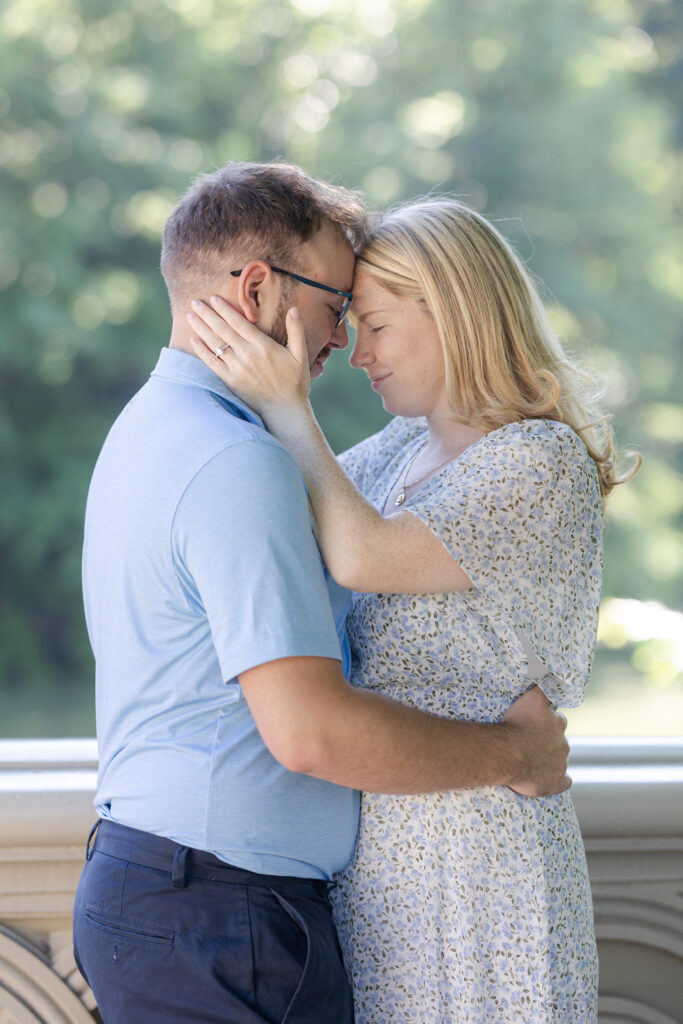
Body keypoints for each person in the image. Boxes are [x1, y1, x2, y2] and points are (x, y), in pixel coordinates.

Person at [74, 163, 571, 1024]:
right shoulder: (236, 461)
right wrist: (516, 754)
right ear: (259, 287)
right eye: (339, 306)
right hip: (221, 917)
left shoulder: (154, 428)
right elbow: (308, 733)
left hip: (196, 900)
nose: (344, 340)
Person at [189, 194, 638, 1023]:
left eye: (377, 325)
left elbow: (361, 553)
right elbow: (290, 517)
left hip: (481, 859)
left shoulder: (538, 461)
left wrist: (289, 403)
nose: (358, 355)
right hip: (383, 856)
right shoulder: (399, 449)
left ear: (455, 314)